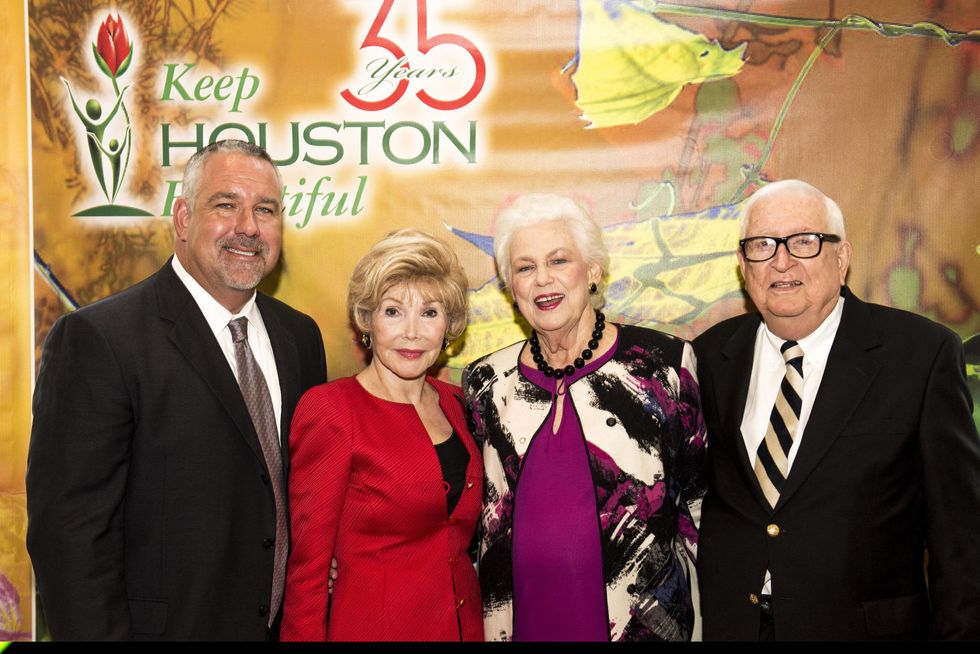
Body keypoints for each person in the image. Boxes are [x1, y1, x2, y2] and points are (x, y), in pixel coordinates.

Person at [26, 140, 327, 640]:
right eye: (226, 205)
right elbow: (69, 538)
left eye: (265, 210)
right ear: (183, 218)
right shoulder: (101, 339)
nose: (248, 227)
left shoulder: (300, 337)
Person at [693, 179, 980, 640]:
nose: (781, 261)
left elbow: (962, 539)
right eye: (762, 245)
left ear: (842, 257)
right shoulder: (707, 358)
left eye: (804, 242)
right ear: (743, 265)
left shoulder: (920, 355)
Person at [462, 194, 707, 642]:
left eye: (559, 260)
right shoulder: (485, 382)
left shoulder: (663, 365)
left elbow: (700, 512)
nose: (543, 280)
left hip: (641, 628)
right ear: (510, 288)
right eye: (525, 267)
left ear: (593, 270)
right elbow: (468, 517)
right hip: (520, 625)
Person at [281, 229, 483, 642]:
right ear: (367, 320)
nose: (412, 332)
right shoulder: (332, 410)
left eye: (429, 313)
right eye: (393, 312)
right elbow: (308, 572)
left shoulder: (461, 405)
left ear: (449, 326)